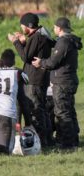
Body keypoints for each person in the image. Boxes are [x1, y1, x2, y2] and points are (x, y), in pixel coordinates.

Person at [32, 17, 82, 150]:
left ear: (59, 28)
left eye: (54, 27)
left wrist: (40, 63)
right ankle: (73, 141)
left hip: (62, 82)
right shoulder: (69, 41)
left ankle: (67, 144)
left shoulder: (63, 42)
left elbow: (53, 62)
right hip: (69, 80)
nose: (53, 29)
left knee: (61, 113)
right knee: (69, 111)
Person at [7, 12, 54, 146]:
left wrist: (15, 42)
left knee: (36, 110)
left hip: (34, 80)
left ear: (28, 25)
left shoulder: (37, 37)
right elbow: (30, 52)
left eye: (22, 26)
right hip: (40, 79)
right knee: (42, 109)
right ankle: (48, 140)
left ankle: (41, 141)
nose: (21, 28)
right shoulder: (39, 36)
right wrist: (24, 41)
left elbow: (25, 57)